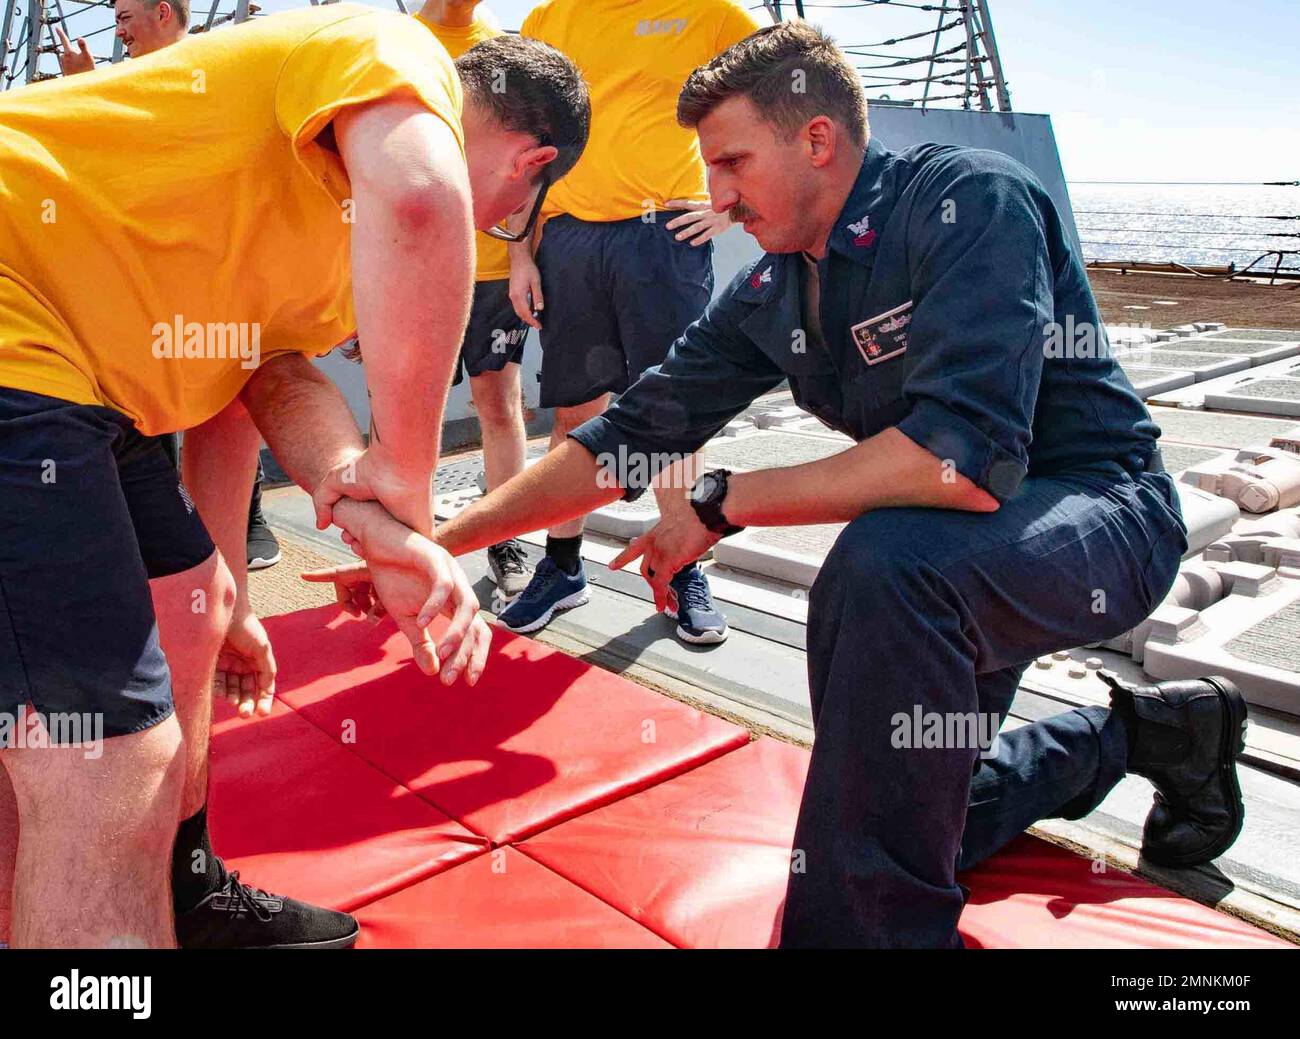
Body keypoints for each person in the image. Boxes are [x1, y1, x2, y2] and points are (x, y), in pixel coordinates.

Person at [313, 20, 1248, 949]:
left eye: (731, 164)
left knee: (885, 572)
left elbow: (960, 462)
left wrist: (719, 504)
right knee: (902, 818)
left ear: (817, 138)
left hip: (1101, 515)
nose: (715, 196)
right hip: (963, 548)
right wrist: (442, 542)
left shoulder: (970, 201)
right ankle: (1155, 736)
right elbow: (620, 442)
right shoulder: (774, 290)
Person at [0, 3, 588, 948]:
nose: (490, 228)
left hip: (81, 384)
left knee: (187, 608)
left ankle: (173, 890)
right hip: (21, 342)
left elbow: (257, 380)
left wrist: (239, 586)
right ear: (529, 169)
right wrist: (407, 481)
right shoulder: (394, 53)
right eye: (509, 216)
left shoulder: (325, 228)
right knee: (106, 766)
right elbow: (421, 202)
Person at [494, 0, 760, 643]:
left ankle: (685, 564)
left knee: (675, 414)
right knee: (573, 415)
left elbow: (778, 98)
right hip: (570, 241)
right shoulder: (547, 22)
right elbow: (524, 150)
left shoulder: (714, 15)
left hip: (662, 237)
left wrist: (737, 204)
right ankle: (562, 569)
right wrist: (519, 253)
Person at [56, 0, 284, 571]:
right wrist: (85, 94)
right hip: (141, 283)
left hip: (217, 273)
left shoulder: (218, 71)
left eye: (127, 17)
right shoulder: (115, 84)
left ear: (163, 12)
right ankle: (159, 530)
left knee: (230, 401)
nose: (118, 30)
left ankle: (247, 519)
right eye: (115, 20)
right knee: (146, 406)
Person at [412, 0, 532, 605]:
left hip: (491, 270)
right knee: (407, 410)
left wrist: (521, 256)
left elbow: (526, 163)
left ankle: (504, 537)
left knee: (499, 404)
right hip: (414, 266)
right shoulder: (400, 41)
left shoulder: (503, 49)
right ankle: (407, 544)